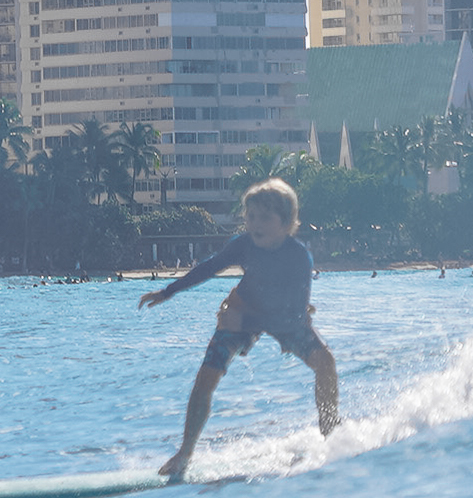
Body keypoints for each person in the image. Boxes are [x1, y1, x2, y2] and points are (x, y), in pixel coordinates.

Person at [137, 176, 341, 477]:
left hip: (283, 317)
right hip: (243, 308)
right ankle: (185, 453)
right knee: (207, 377)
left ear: (286, 223)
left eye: (264, 217)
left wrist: (244, 321)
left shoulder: (299, 258)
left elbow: (294, 313)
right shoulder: (244, 245)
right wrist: (168, 292)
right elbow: (210, 266)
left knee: (325, 363)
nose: (254, 224)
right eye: (251, 216)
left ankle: (331, 438)